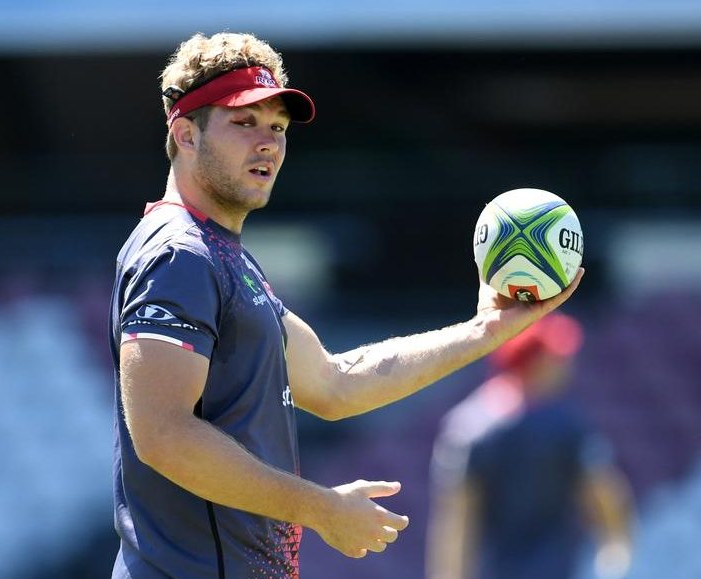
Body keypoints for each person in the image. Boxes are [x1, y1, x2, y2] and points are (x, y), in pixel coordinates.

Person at [108, 31, 583, 579]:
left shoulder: (220, 257)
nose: (268, 143)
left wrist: (486, 329)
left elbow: (336, 383)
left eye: (278, 128)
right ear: (185, 134)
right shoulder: (179, 255)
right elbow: (163, 434)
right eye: (244, 122)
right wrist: (321, 508)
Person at [425, 313, 632, 579]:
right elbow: (602, 491)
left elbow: (456, 520)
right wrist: (616, 547)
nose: (566, 366)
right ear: (537, 362)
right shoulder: (566, 423)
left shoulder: (467, 425)